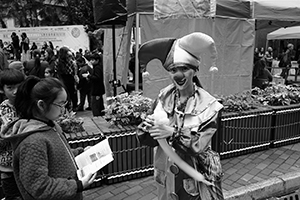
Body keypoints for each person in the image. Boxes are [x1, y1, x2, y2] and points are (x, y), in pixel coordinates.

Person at [136, 32, 224, 200]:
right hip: (166, 176)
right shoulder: (163, 97)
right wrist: (147, 128)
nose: (178, 75)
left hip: (193, 177)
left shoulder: (209, 106)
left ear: (195, 70)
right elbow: (148, 139)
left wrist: (173, 132)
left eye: (184, 69)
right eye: (173, 70)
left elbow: (197, 146)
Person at [0, 76, 96, 200]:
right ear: (41, 105)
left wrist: (81, 152)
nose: (64, 109)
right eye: (60, 104)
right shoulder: (33, 141)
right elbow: (39, 186)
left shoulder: (49, 125)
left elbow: (57, 155)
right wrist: (76, 185)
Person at [0, 68, 25, 200]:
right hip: (8, 169)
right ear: (2, 90)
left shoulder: (26, 106)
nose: (15, 91)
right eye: (10, 88)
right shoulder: (2, 111)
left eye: (19, 87)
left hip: (25, 165)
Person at [56, 46, 79, 111]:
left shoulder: (57, 61)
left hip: (61, 79)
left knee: (65, 93)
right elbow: (73, 71)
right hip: (70, 78)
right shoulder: (70, 61)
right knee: (73, 93)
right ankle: (74, 107)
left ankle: (66, 107)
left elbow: (56, 71)